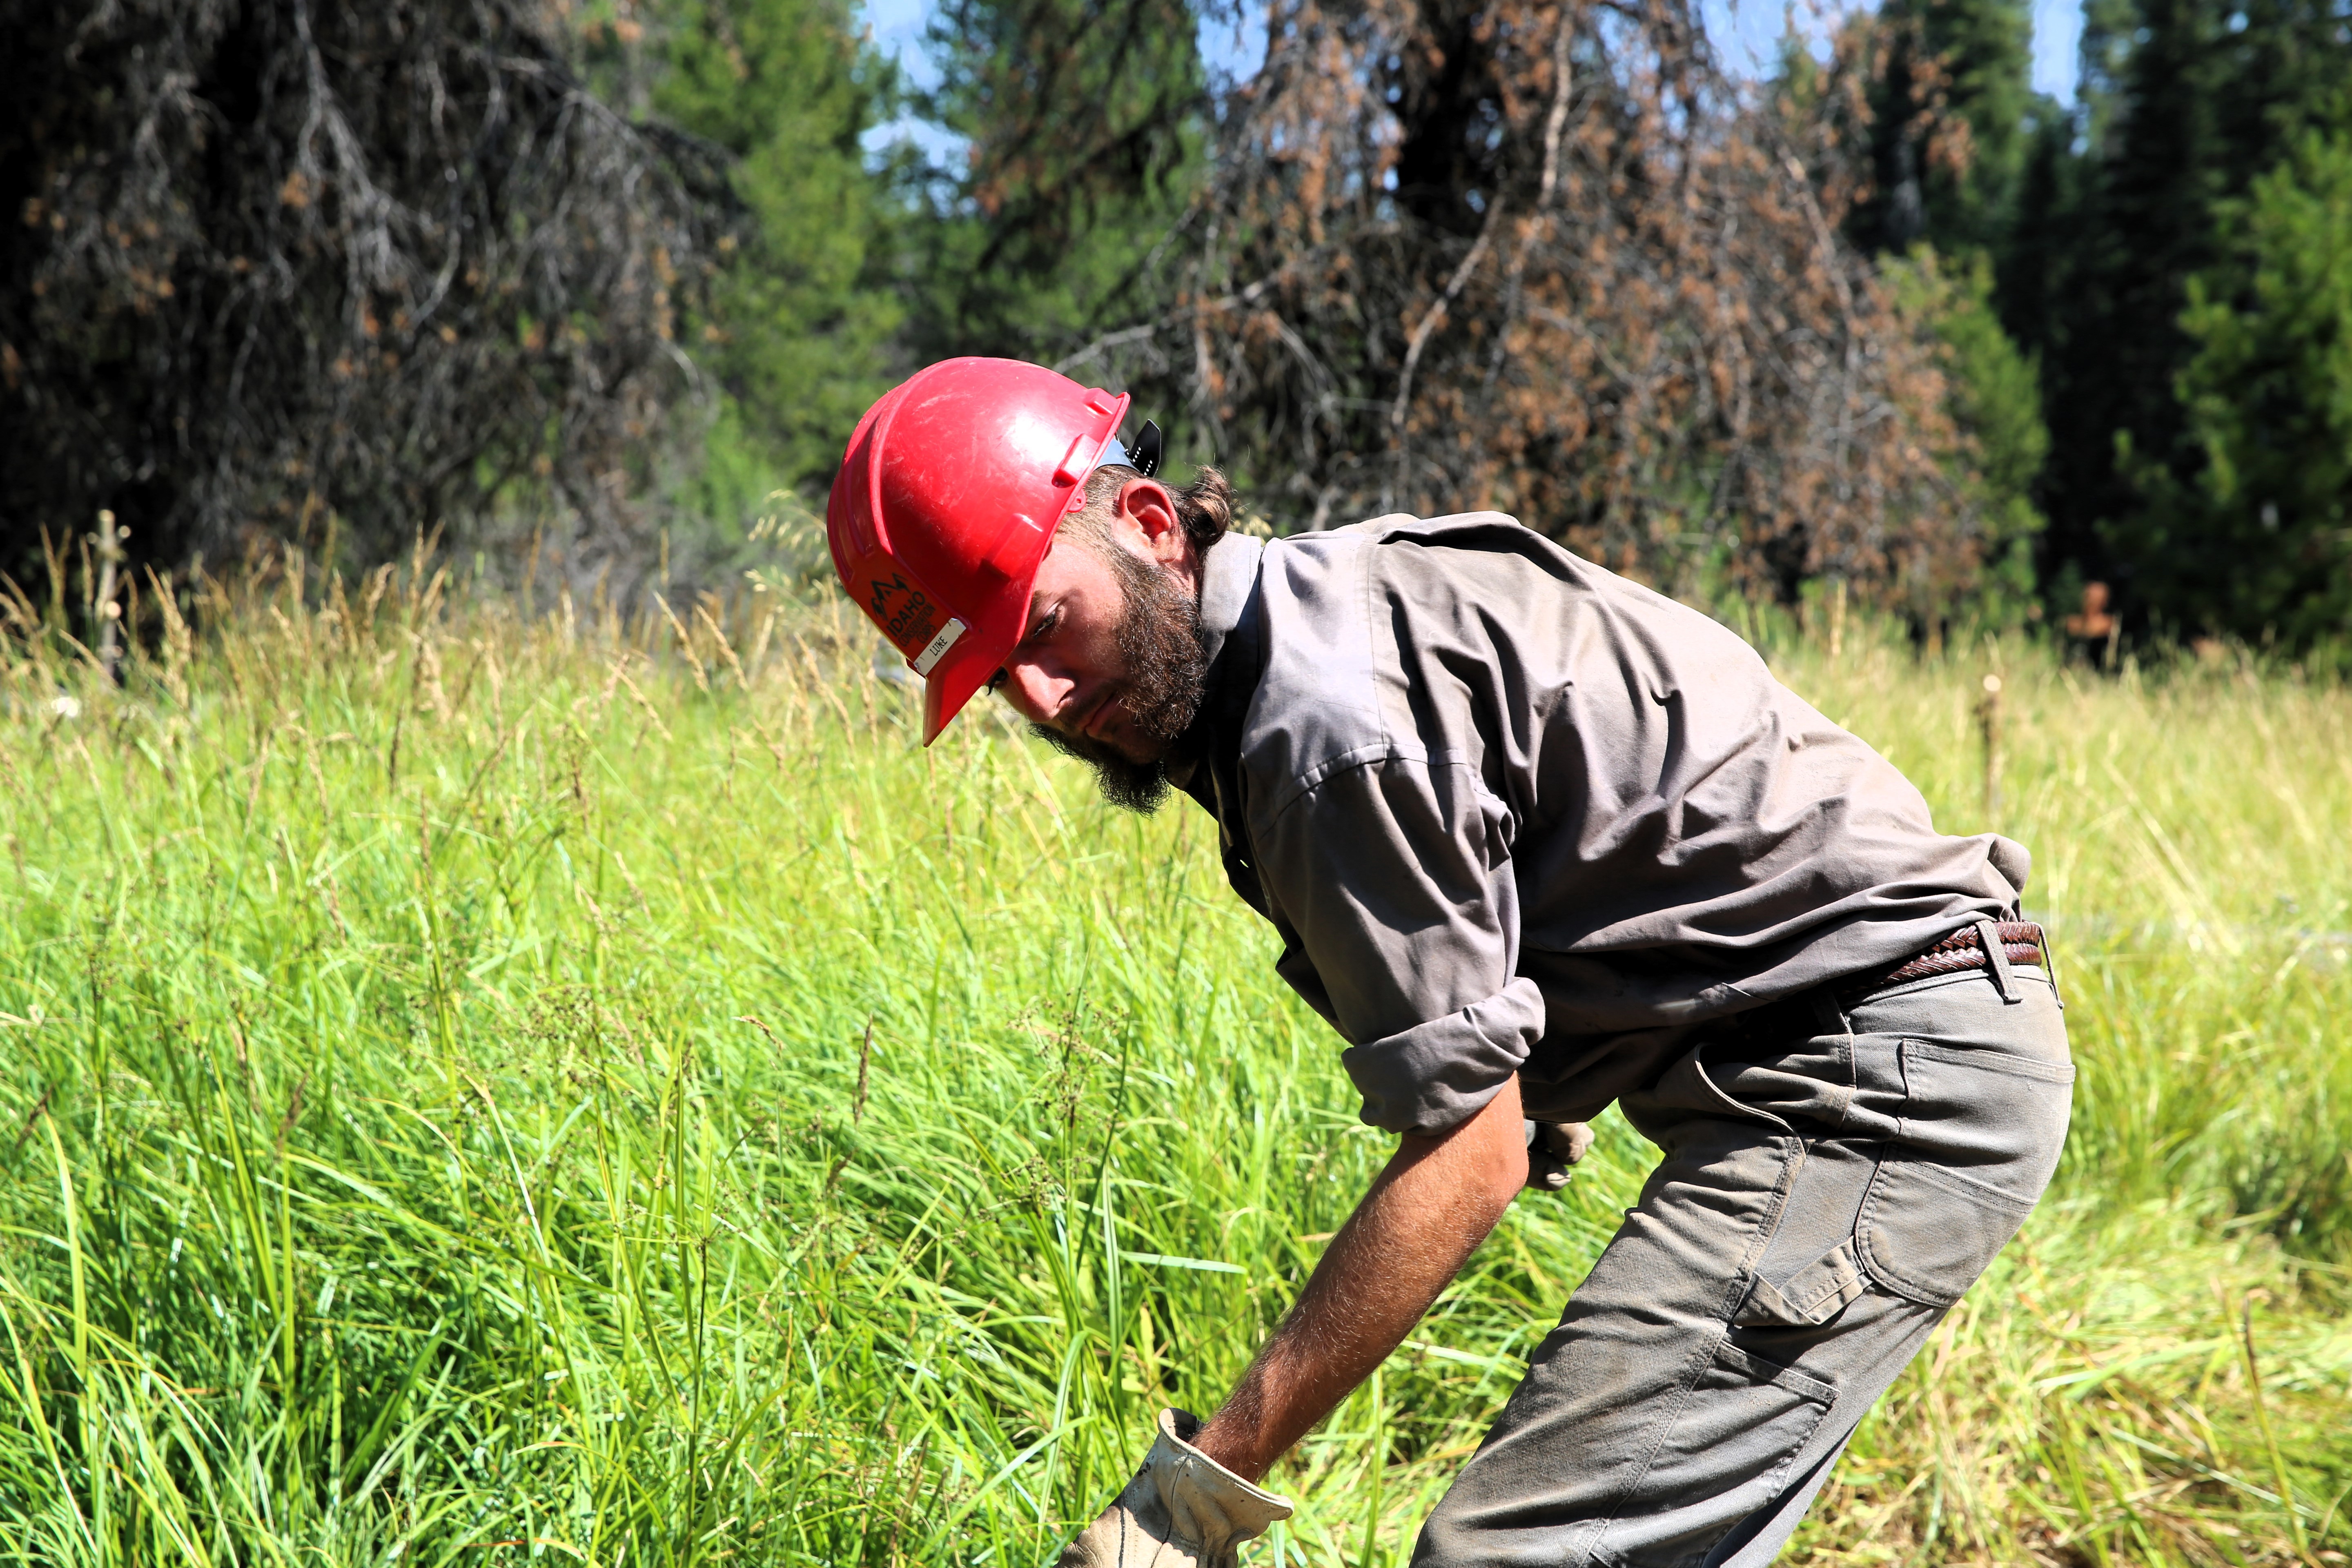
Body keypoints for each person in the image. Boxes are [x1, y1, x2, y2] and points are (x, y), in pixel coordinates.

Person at [827, 358, 2074, 1568]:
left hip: (1872, 1082)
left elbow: (1473, 1157)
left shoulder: (1320, 728)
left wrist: (1189, 1506)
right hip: (1880, 1043)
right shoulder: (1320, 622)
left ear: (1152, 525)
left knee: (1509, 1554)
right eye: (995, 678)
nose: (1044, 700)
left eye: (1047, 627)